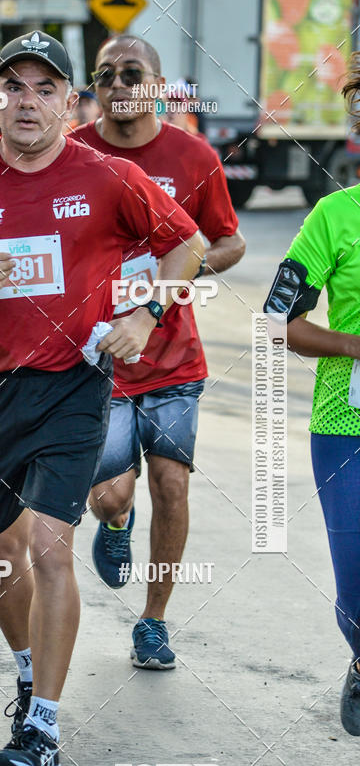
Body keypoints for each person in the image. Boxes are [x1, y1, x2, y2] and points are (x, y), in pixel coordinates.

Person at [0, 30, 204, 766]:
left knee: (50, 547)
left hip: (74, 383)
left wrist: (144, 315)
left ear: (71, 101)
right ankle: (29, 670)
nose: (27, 102)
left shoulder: (108, 176)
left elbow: (186, 244)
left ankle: (42, 731)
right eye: (14, 88)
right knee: (0, 555)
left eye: (44, 88)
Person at [71, 35, 245, 669]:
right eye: (106, 75)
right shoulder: (73, 151)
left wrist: (177, 271)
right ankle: (116, 526)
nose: (118, 85)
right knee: (110, 495)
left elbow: (229, 243)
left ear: (159, 83)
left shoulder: (192, 155)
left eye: (131, 73)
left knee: (172, 486)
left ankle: (154, 621)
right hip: (99, 359)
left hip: (175, 356)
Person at [263, 55, 360, 737]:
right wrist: (356, 346)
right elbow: (280, 322)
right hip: (345, 426)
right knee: (356, 592)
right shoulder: (333, 216)